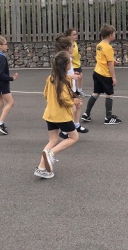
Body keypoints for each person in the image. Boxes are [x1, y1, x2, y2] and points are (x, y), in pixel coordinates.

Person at [34, 51, 81, 179]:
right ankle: (51, 153)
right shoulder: (65, 81)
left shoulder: (50, 78)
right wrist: (74, 101)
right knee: (74, 137)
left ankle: (41, 168)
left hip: (50, 114)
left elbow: (45, 94)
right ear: (66, 65)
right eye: (70, 62)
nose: (71, 64)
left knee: (53, 140)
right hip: (61, 115)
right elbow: (65, 99)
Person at [81, 24, 122, 125]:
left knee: (96, 93)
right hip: (105, 74)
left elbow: (103, 58)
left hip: (97, 72)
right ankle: (108, 118)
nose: (115, 35)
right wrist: (113, 77)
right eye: (114, 34)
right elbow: (110, 64)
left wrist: (113, 60)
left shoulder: (99, 45)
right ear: (110, 35)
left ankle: (86, 114)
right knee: (109, 95)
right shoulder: (108, 47)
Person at [54, 34, 88, 136]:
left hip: (71, 86)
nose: (74, 47)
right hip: (66, 87)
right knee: (72, 108)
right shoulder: (62, 59)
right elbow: (58, 75)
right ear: (68, 48)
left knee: (79, 104)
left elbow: (68, 72)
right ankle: (65, 130)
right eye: (72, 46)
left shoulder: (68, 57)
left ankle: (76, 125)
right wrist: (71, 76)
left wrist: (73, 74)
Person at [64, 28, 87, 97]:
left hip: (77, 63)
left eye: (76, 34)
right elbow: (64, 53)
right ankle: (72, 91)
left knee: (80, 77)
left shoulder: (75, 43)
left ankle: (79, 90)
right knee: (72, 79)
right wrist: (69, 55)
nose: (76, 36)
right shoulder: (68, 44)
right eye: (74, 35)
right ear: (69, 36)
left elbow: (75, 52)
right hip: (72, 64)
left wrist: (78, 55)